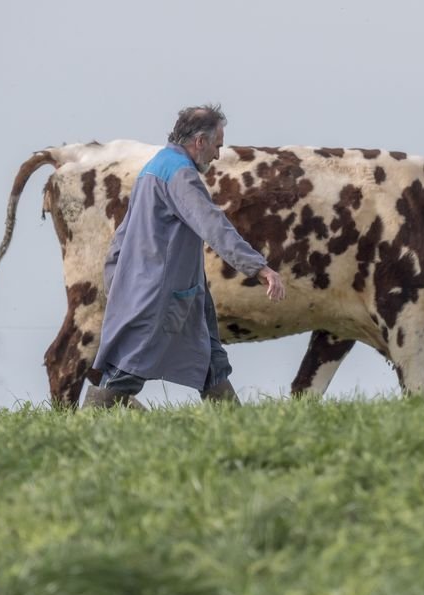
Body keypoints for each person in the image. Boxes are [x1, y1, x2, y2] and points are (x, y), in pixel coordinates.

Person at [85, 104, 285, 408]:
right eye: (217, 145)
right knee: (130, 367)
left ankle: (240, 431)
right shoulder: (181, 175)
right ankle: (91, 419)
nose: (218, 155)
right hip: (160, 294)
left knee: (211, 362)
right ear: (200, 142)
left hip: (174, 291)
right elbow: (213, 225)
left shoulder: (155, 166)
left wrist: (117, 282)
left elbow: (121, 236)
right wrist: (260, 268)